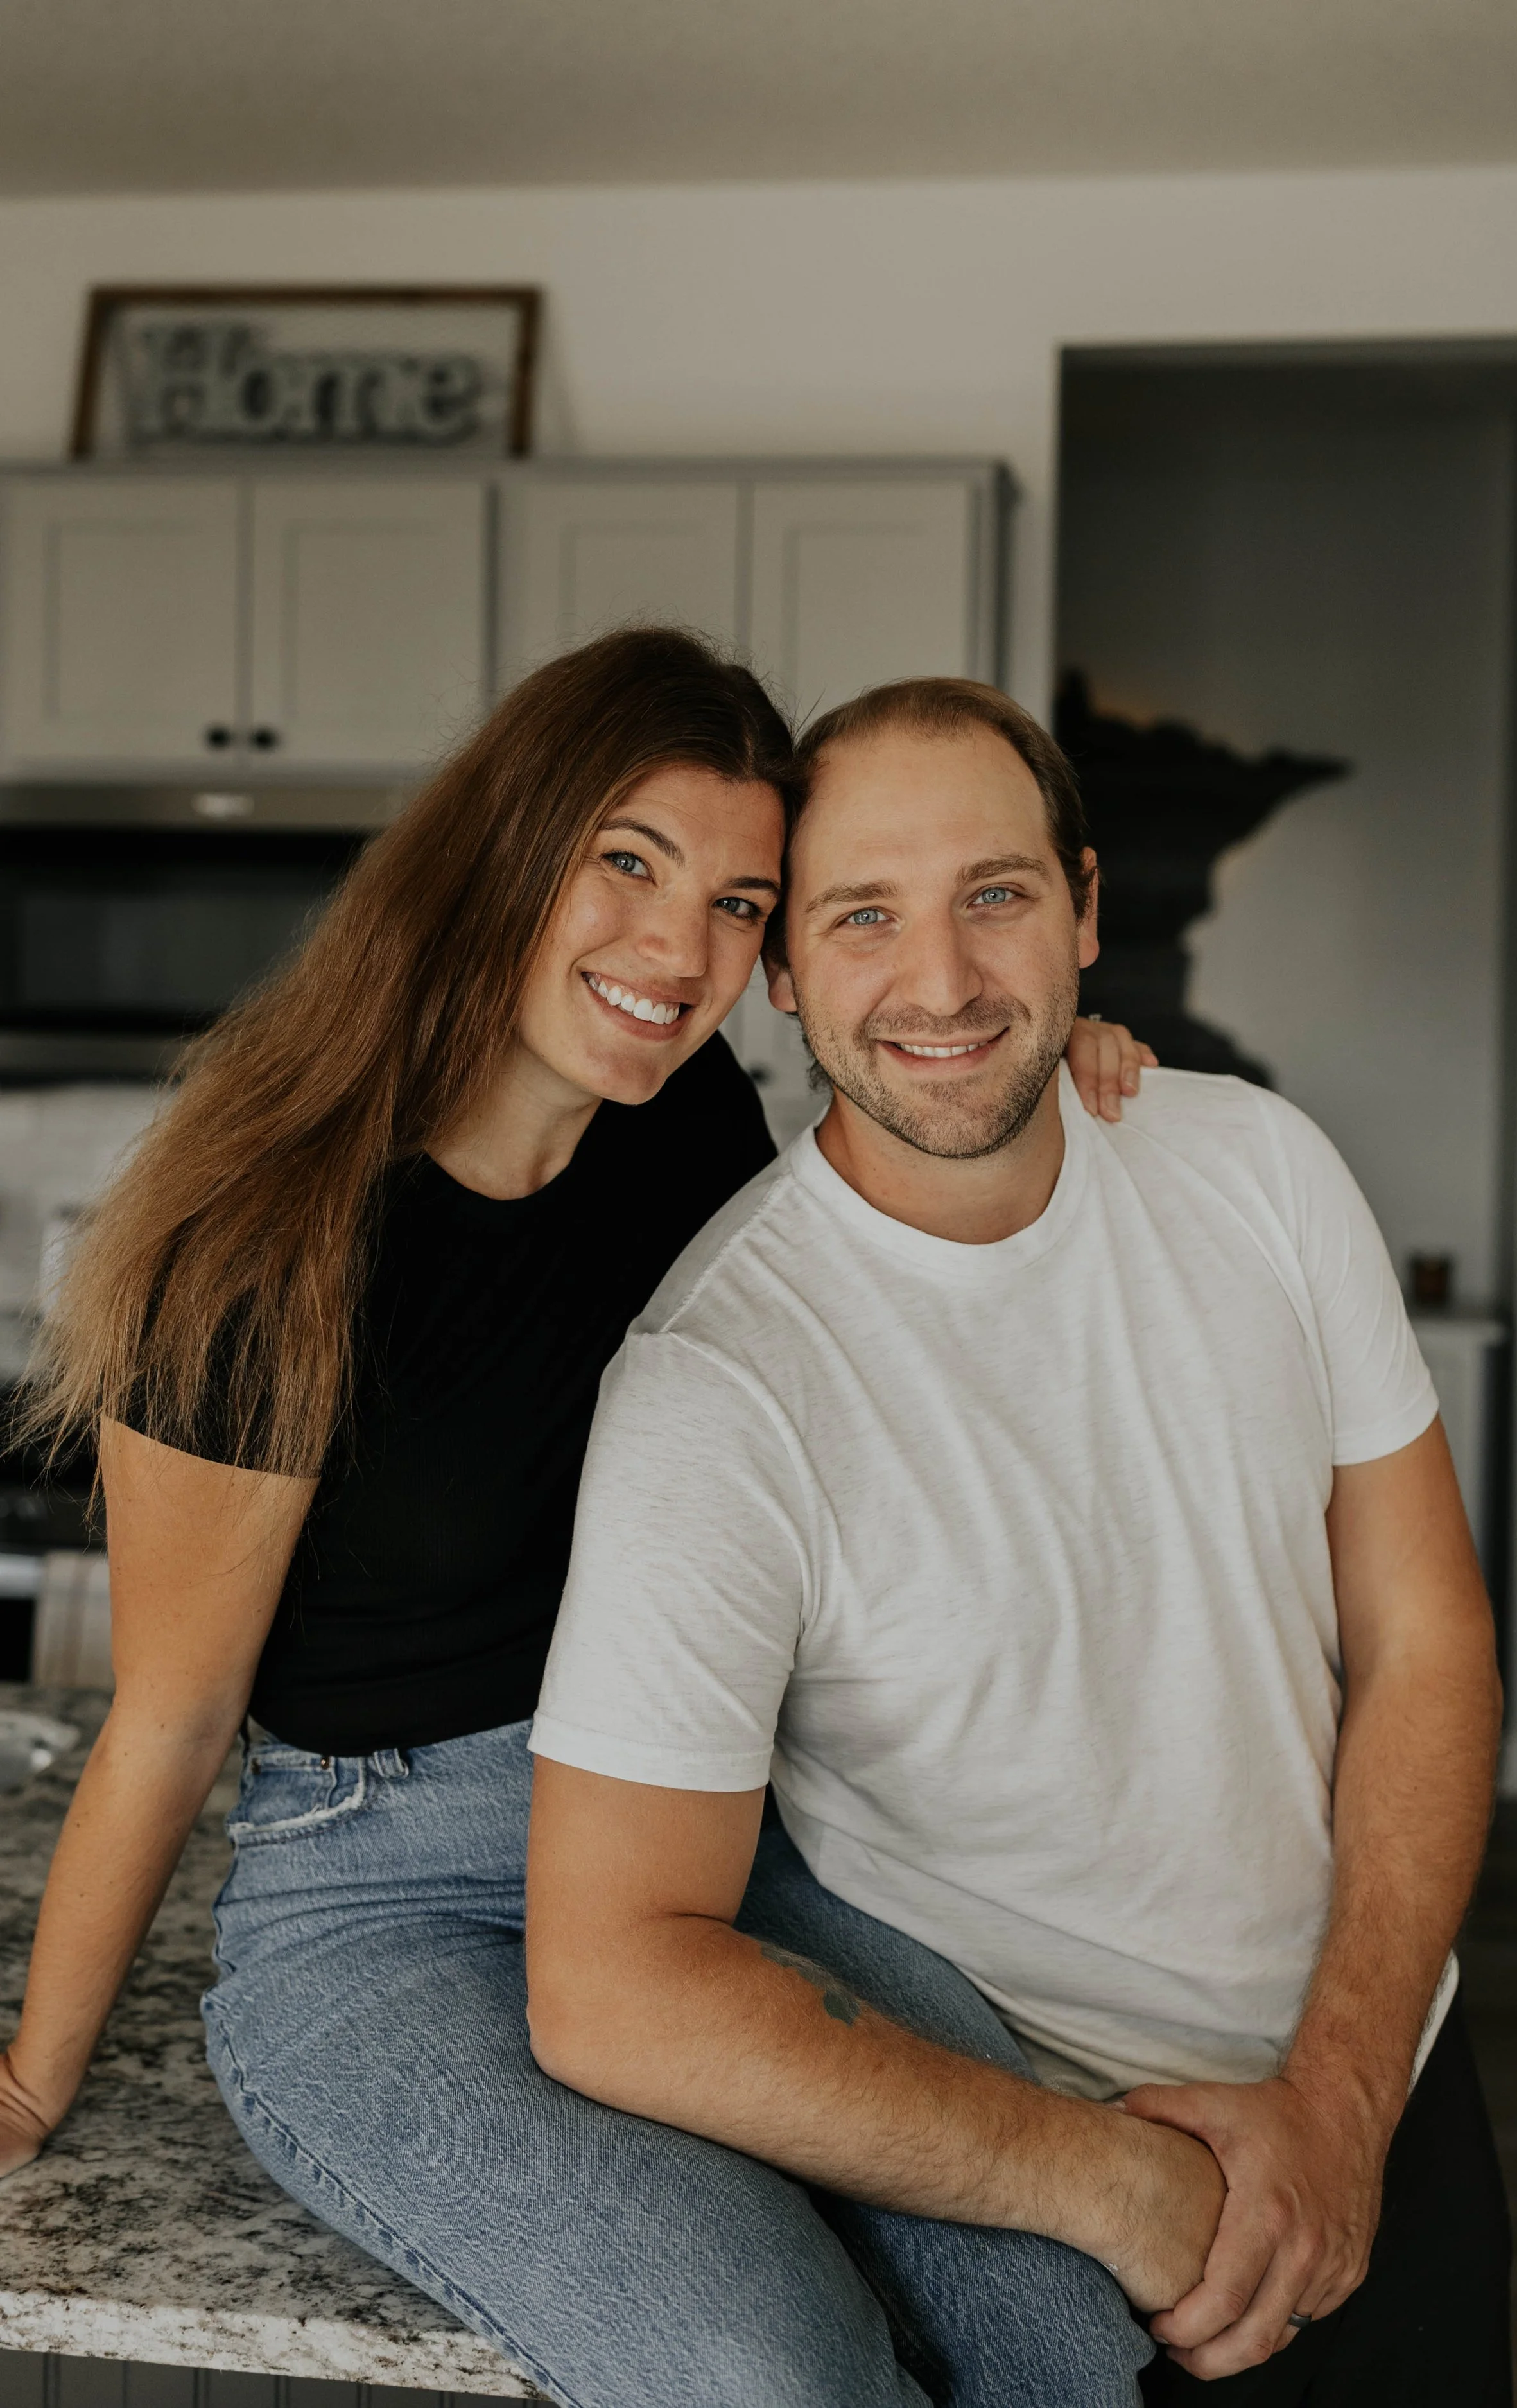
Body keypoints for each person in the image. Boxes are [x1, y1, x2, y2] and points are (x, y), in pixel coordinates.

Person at [0, 630, 1159, 2408]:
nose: (675, 949)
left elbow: (894, 1259)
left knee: (1065, 2319)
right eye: (629, 860)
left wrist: (1039, 1057)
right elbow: (166, 1720)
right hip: (386, 1901)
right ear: (508, 844)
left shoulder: (684, 1123)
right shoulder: (268, 1239)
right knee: (758, 2363)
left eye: (736, 900)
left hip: (699, 1837)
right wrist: (24, 2079)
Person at [526, 676, 1513, 2405]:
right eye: (859, 915)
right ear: (778, 973)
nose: (941, 980)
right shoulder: (717, 1385)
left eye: (993, 893)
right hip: (1067, 2215)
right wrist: (1117, 2181)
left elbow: (1424, 1637)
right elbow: (612, 1974)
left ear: (1083, 910)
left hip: (1392, 2089)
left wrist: (1343, 2100)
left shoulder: (1261, 1171)